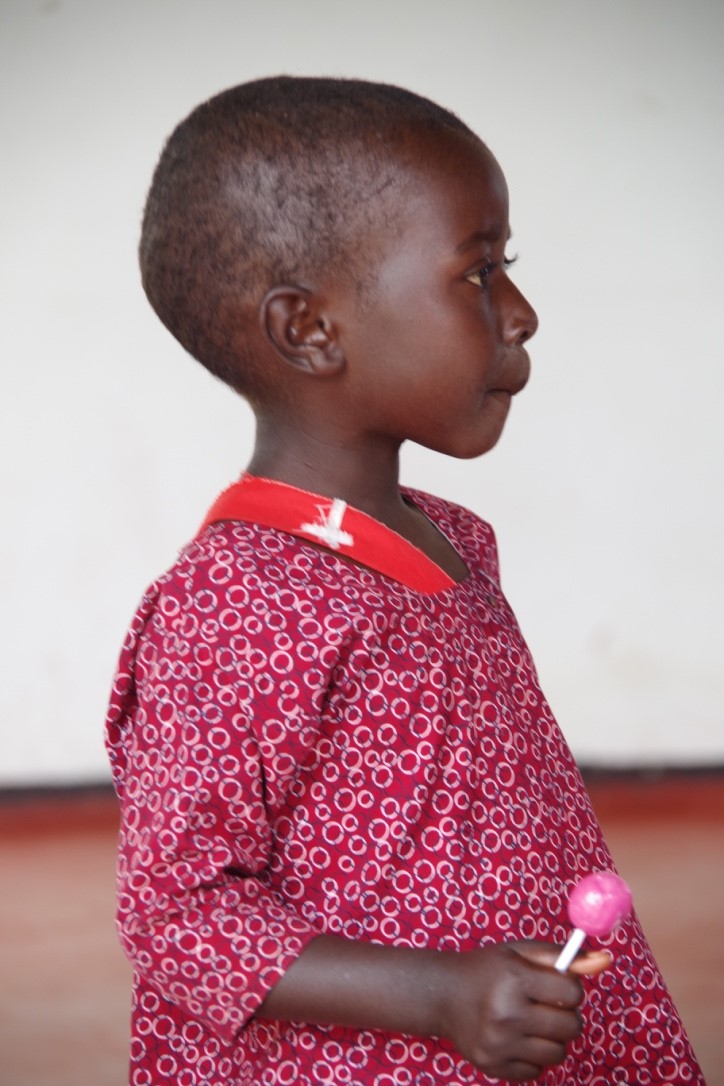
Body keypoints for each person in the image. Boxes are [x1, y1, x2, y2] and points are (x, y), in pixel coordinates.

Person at [106, 76, 704, 1085]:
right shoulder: (236, 605)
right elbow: (176, 915)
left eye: (505, 267)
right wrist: (441, 995)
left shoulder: (455, 538)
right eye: (474, 274)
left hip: (519, 1025)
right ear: (310, 331)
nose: (520, 313)